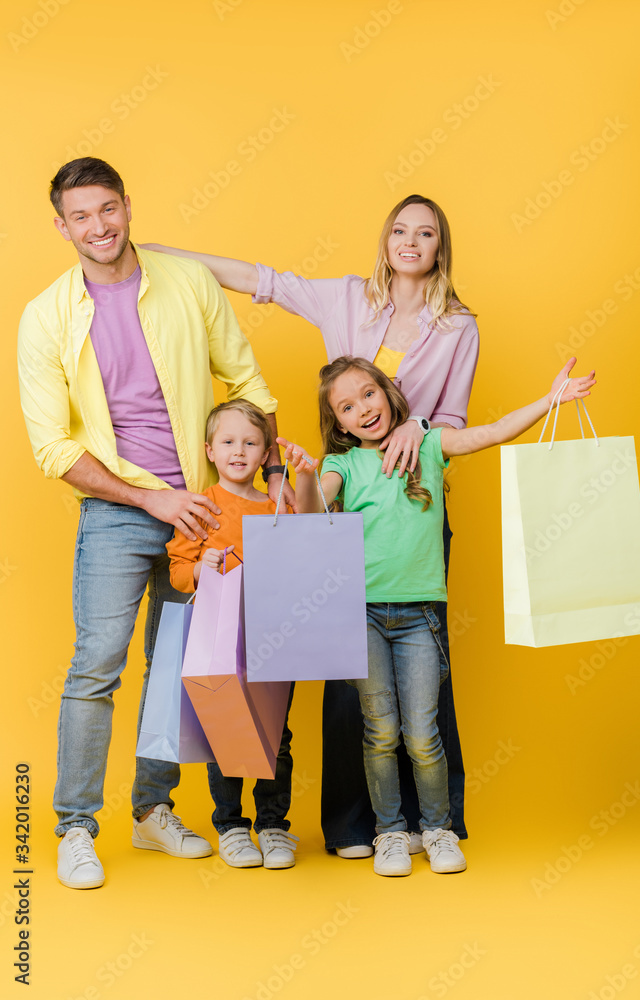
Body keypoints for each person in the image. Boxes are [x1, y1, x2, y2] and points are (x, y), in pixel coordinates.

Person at [143, 193, 478, 856]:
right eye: (400, 230)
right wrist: (155, 255)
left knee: (424, 681)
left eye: (426, 234)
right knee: (346, 673)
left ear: (440, 248)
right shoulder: (347, 299)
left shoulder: (458, 326)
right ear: (384, 240)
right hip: (337, 511)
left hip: (411, 511)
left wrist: (420, 424)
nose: (411, 242)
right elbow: (258, 280)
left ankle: (435, 825)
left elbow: (460, 424)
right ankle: (361, 827)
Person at [17, 157, 294, 890]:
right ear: (61, 226)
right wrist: (150, 499)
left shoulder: (187, 283)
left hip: (205, 512)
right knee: (95, 669)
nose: (97, 226)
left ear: (128, 207)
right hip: (118, 512)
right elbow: (53, 447)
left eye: (107, 209)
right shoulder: (45, 316)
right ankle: (76, 827)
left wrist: (271, 476)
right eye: (80, 216)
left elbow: (248, 379)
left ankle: (151, 812)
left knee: (176, 665)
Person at [280, 355, 595, 875]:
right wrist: (306, 476)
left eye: (369, 394)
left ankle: (438, 828)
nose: (362, 408)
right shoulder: (341, 465)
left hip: (421, 615)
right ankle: (389, 833)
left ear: (388, 394)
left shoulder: (427, 444)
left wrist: (551, 399)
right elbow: (311, 520)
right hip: (361, 616)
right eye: (347, 406)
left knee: (423, 732)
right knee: (380, 732)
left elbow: (489, 433)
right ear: (338, 423)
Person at [166, 400, 298, 869]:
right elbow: (179, 568)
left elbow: (302, 557)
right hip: (221, 636)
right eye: (228, 442)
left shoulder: (278, 506)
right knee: (225, 730)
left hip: (274, 635)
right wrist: (201, 570)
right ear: (210, 451)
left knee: (275, 733)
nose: (239, 451)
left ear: (266, 454)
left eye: (250, 442)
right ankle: (231, 825)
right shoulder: (204, 506)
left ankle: (273, 825)